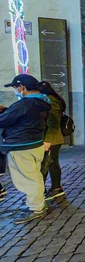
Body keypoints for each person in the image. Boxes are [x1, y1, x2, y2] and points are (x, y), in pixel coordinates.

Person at [0, 75, 51, 224]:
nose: (16, 90)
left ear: (22, 87)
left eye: (16, 87)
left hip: (21, 146)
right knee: (34, 176)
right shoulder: (42, 102)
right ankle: (36, 203)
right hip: (35, 144)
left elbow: (4, 120)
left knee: (28, 179)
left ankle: (36, 207)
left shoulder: (24, 104)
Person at [38, 81, 66, 200]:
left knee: (47, 164)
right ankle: (55, 188)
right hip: (52, 138)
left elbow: (53, 122)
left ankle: (54, 188)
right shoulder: (50, 99)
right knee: (52, 163)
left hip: (52, 139)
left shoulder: (50, 101)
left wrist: (48, 140)